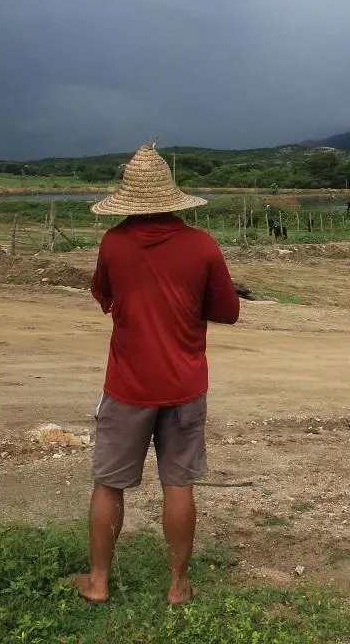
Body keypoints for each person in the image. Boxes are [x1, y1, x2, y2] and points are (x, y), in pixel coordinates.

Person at [71, 142, 240, 606]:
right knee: (178, 484)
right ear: (172, 197)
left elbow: (103, 295)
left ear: (128, 201)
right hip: (184, 385)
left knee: (108, 483)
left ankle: (99, 582)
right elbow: (227, 311)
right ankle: (178, 585)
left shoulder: (113, 244)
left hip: (127, 386)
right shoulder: (201, 245)